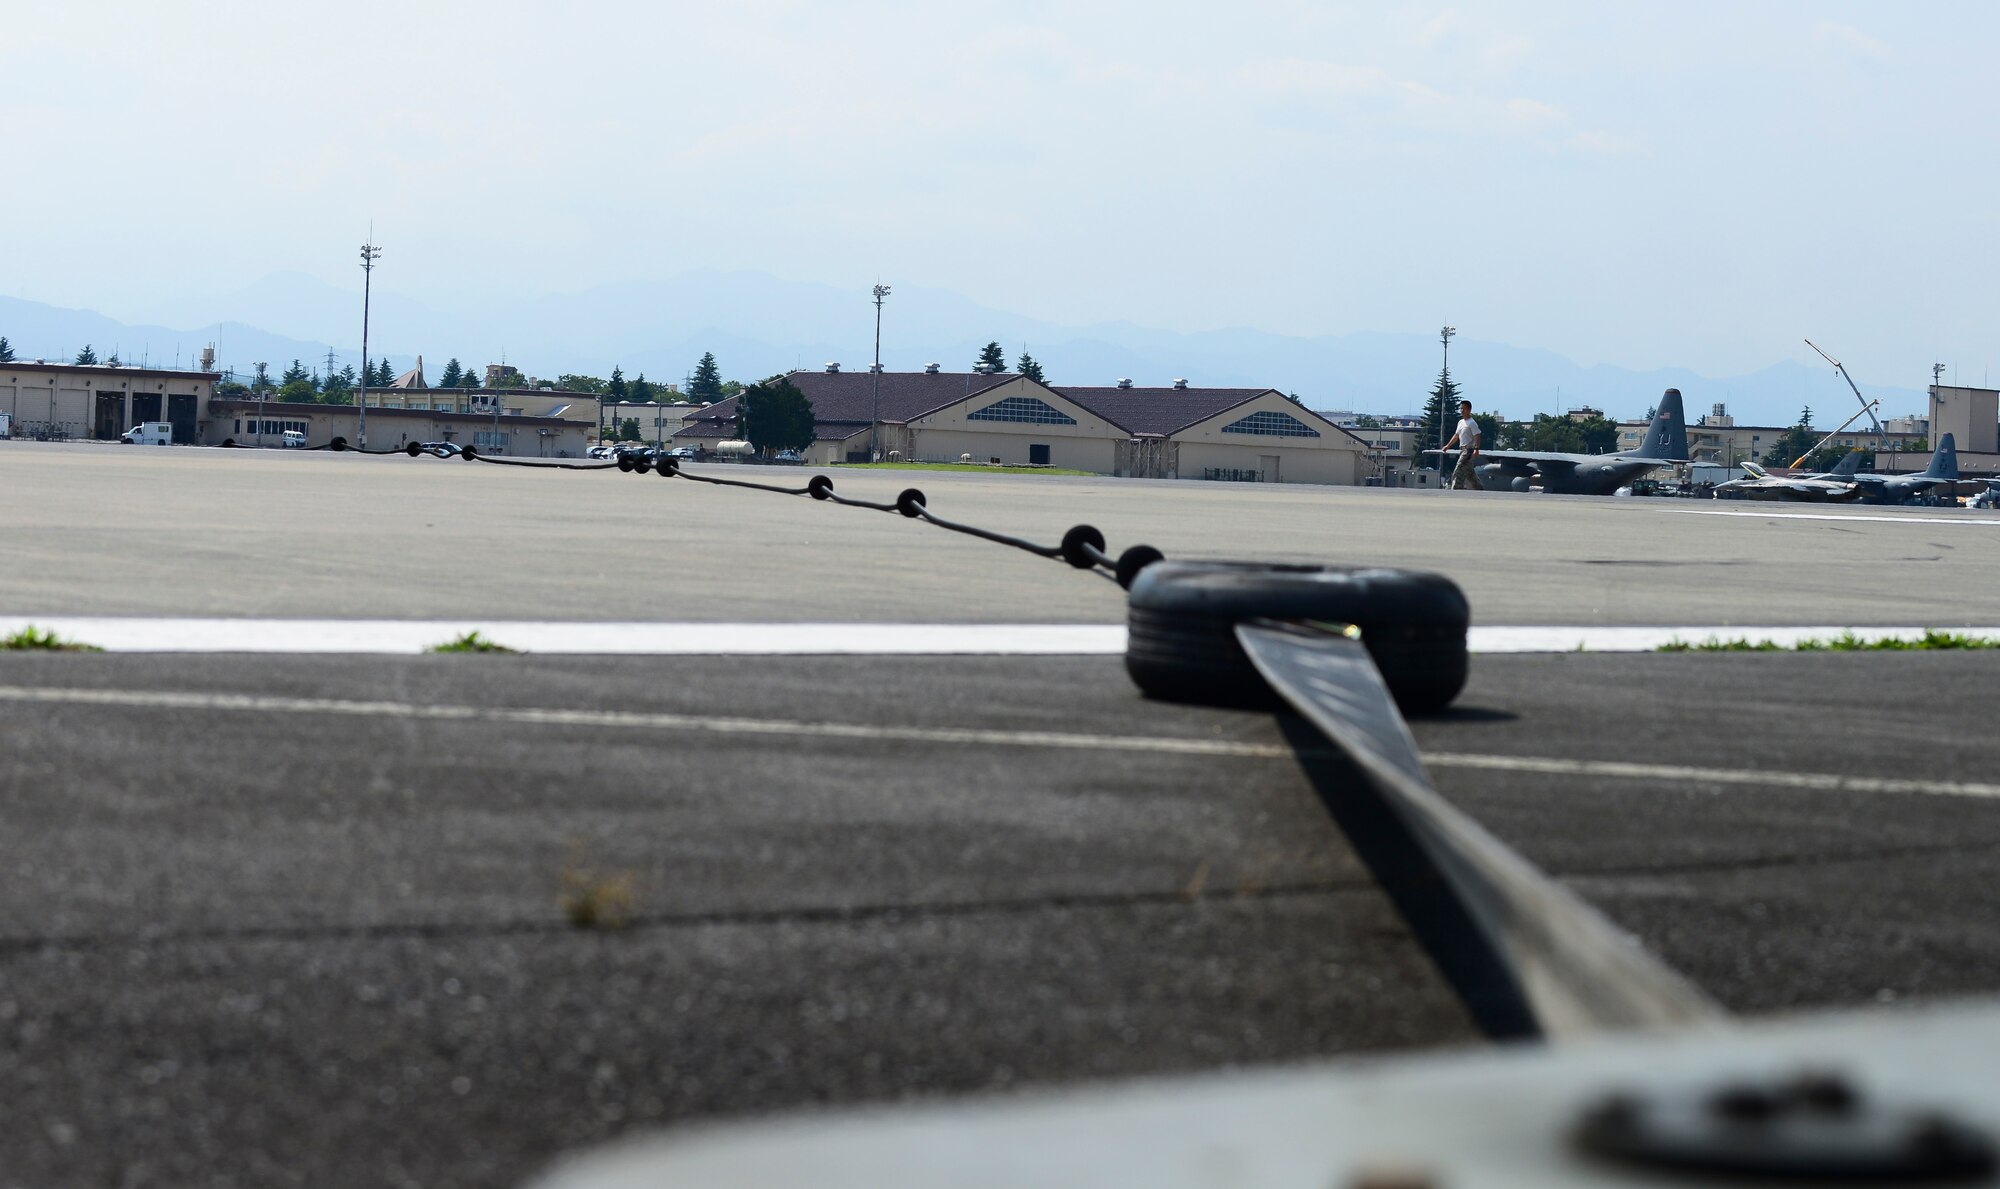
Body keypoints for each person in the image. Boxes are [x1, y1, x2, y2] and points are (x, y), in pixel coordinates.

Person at [1441, 399, 1484, 490]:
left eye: (1464, 409)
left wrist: (1476, 449)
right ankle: (1479, 489)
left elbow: (1477, 436)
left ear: (1469, 410)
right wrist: (1448, 446)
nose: (1462, 411)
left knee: (1459, 469)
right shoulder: (1461, 422)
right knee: (1469, 472)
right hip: (1462, 449)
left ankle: (1456, 488)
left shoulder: (1472, 423)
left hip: (1469, 450)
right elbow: (1456, 436)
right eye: (1461, 409)